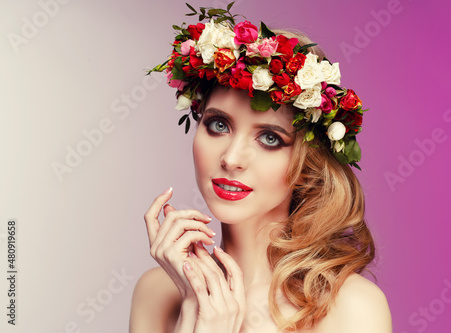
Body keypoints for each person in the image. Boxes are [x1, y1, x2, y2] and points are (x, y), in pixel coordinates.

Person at [130, 4, 392, 332]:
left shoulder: (352, 308)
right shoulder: (158, 292)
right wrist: (195, 311)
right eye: (218, 125)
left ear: (307, 161)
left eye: (269, 138)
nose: (232, 158)